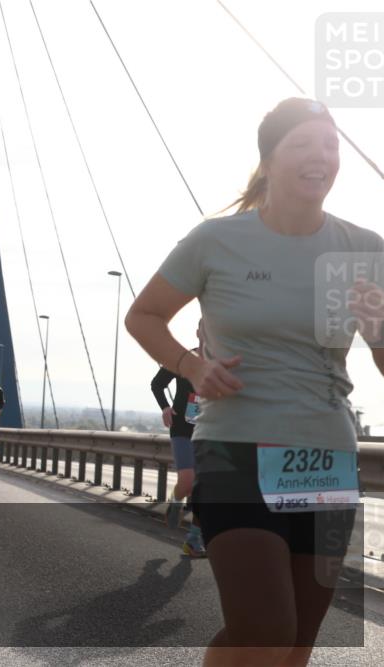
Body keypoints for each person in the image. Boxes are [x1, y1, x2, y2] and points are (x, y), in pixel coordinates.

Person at [125, 98, 384, 663]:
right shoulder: (216, 241)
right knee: (265, 628)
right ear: (269, 161)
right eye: (304, 145)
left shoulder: (365, 249)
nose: (321, 157)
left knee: (295, 646)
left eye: (331, 145)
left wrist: (380, 328)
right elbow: (143, 316)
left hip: (324, 455)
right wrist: (192, 366)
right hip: (235, 449)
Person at [150, 322, 206, 558]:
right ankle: (176, 501)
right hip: (182, 428)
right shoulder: (184, 358)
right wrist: (165, 408)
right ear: (198, 332)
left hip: (208, 431)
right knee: (187, 480)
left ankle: (193, 541)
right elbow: (157, 384)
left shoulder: (222, 362)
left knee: (205, 490)